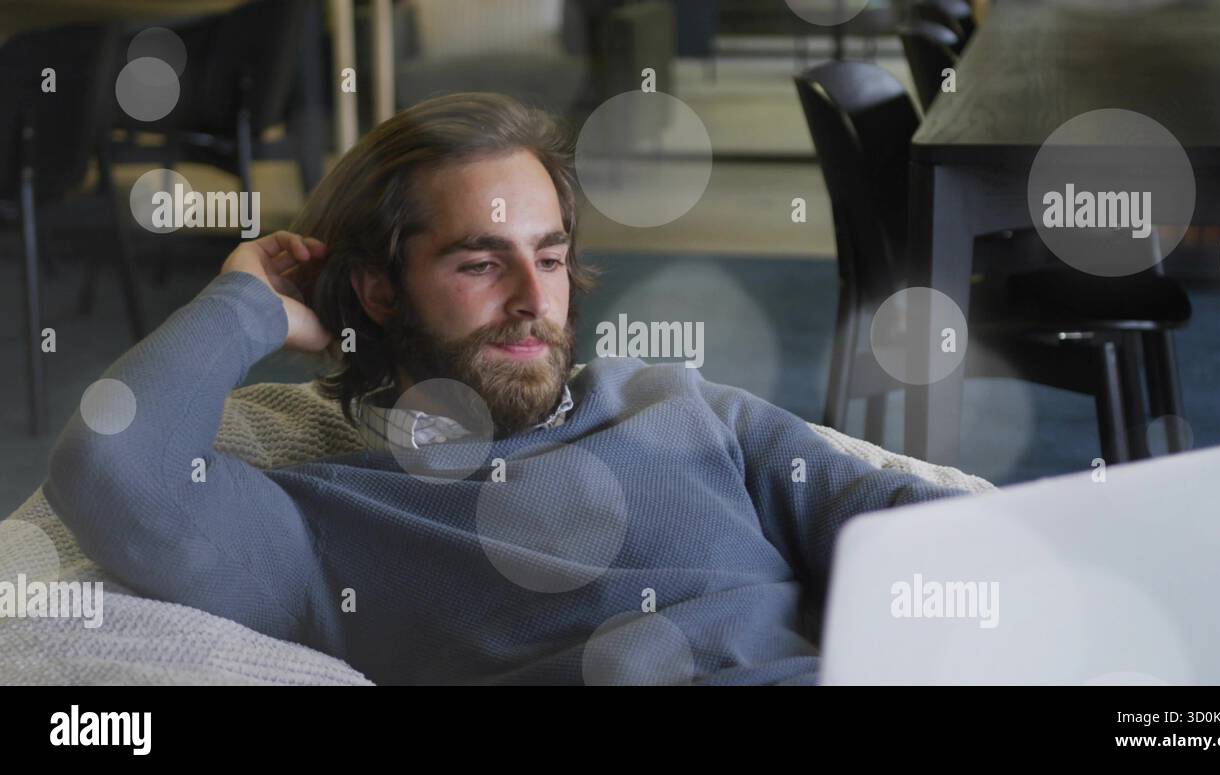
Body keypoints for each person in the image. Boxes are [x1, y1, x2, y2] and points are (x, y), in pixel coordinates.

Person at [45, 92, 966, 685]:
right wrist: (249, 300)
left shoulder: (676, 401)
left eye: (552, 257)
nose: (535, 301)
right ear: (377, 286)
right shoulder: (329, 525)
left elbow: (915, 526)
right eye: (483, 263)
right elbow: (110, 465)